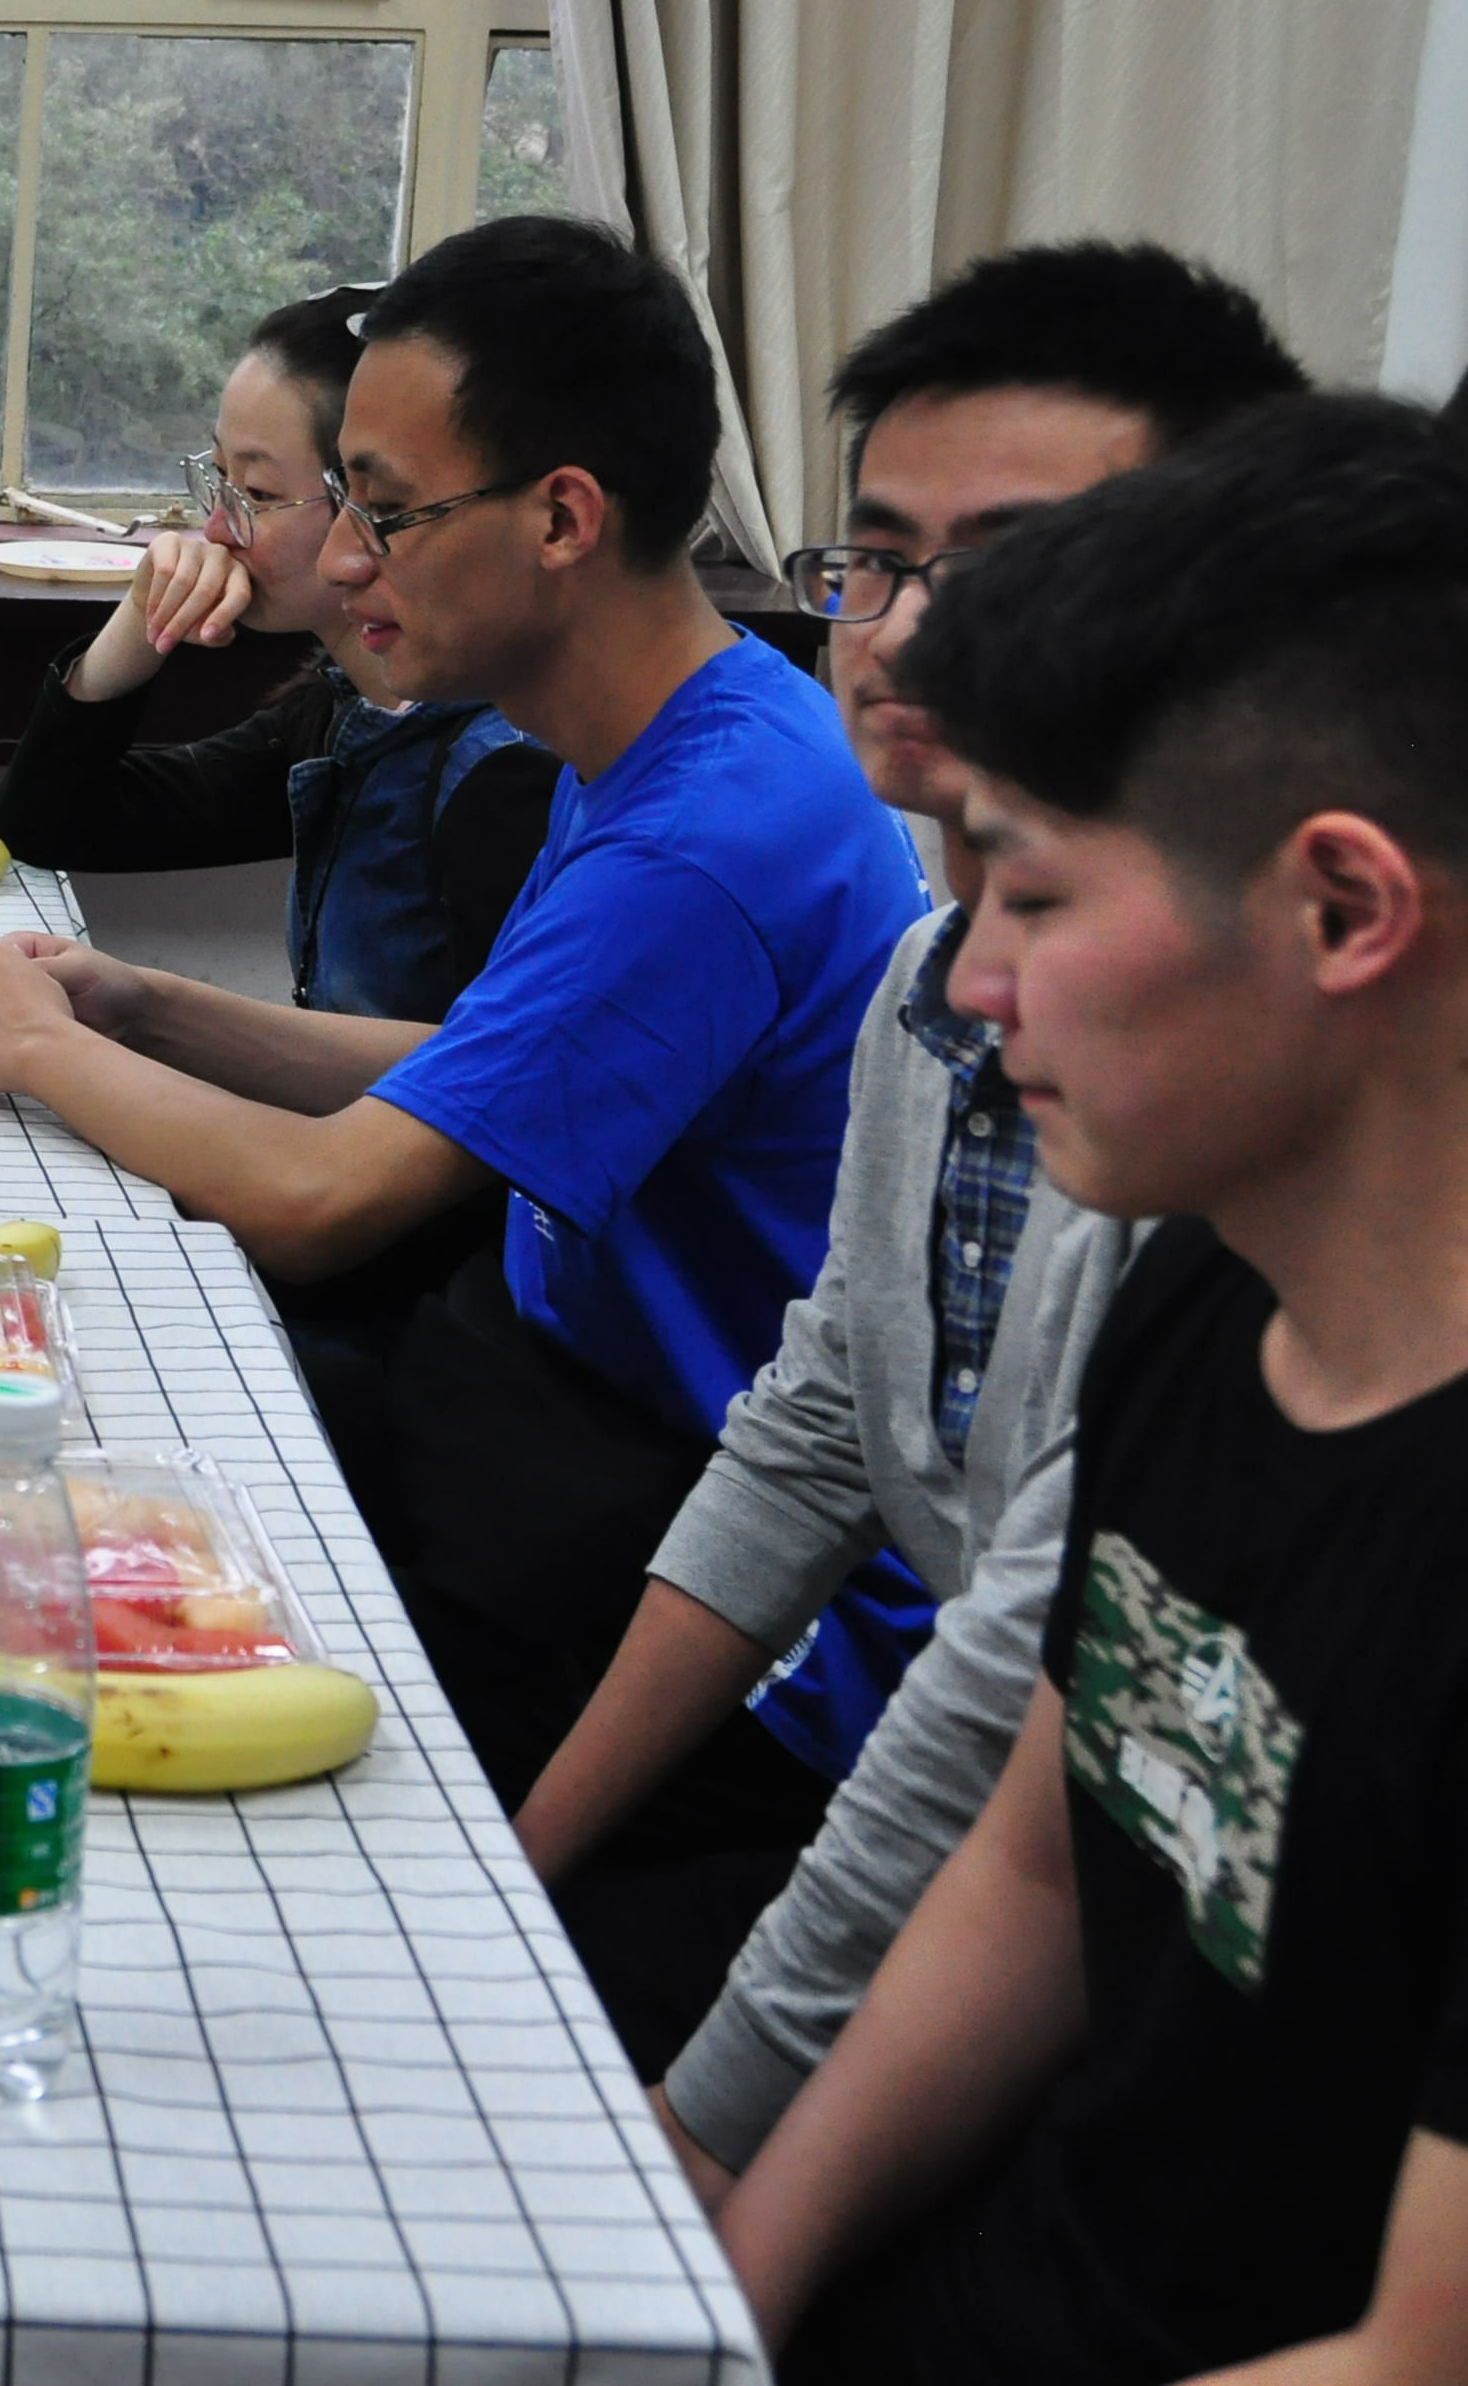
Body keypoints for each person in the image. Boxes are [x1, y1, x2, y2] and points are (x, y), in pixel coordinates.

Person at [0, 215, 930, 1812]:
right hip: (545, 1394)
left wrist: (39, 1047)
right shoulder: (683, 730)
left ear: (563, 518)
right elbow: (483, 1066)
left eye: (385, 513)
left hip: (659, 1496)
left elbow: (328, 1200)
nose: (340, 563)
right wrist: (139, 1005)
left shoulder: (699, 834)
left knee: (40, 1548)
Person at [512, 245, 1307, 2181]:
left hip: (1093, 1917)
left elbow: (1014, 1688)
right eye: (871, 561)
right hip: (930, 1808)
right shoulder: (921, 981)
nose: (900, 631)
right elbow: (810, 1429)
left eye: (1007, 566)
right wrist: (517, 1857)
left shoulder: (1218, 1101)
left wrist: (704, 2146)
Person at [721, 395, 1468, 2382]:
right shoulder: (1203, 1290)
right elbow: (1037, 1860)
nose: (972, 985)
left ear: (1338, 908)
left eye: (1034, 897)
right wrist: (723, 2274)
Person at [0, 282, 557, 1027]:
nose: (217, 530)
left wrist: (111, 1035)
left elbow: (490, 1077)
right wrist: (143, 616)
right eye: (218, 479)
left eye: (255, 492)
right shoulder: (350, 712)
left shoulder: (502, 768)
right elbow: (48, 823)